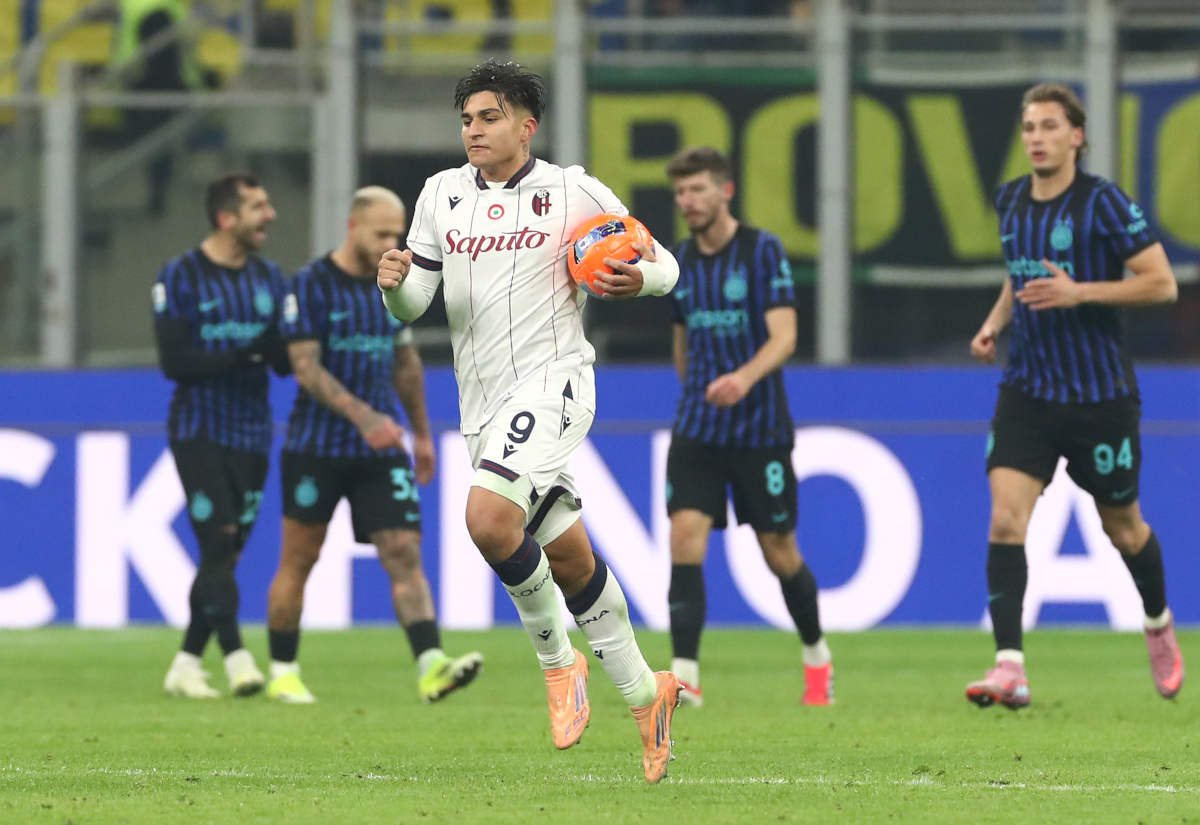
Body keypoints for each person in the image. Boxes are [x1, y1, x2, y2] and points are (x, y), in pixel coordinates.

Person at [377, 61, 683, 784]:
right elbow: (417, 301)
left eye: (489, 117)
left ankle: (558, 662)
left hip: (555, 385)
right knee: (569, 559)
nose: (474, 131)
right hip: (482, 406)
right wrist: (393, 287)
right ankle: (648, 695)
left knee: (487, 520)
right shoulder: (440, 194)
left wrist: (639, 278)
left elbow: (664, 263)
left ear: (526, 126)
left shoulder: (573, 190)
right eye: (466, 120)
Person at [968, 83, 1183, 709]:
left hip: (1098, 396)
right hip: (1028, 391)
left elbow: (1162, 283)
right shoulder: (1011, 199)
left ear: (1076, 136)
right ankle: (1010, 667)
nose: (1036, 137)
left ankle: (1157, 622)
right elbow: (1020, 276)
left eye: (1049, 126)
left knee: (1125, 528)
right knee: (1006, 518)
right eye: (1029, 127)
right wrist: (995, 323)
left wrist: (1081, 291)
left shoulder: (1103, 202)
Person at [265, 186, 484, 704]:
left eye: (397, 233)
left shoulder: (393, 286)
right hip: (316, 447)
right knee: (300, 558)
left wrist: (422, 434)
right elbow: (305, 368)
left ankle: (432, 665)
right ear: (352, 227)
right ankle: (283, 671)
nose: (392, 242)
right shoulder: (311, 284)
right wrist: (365, 417)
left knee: (404, 551)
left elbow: (405, 362)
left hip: (380, 450)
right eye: (381, 232)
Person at [662, 146, 832, 707]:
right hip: (697, 431)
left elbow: (785, 336)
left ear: (725, 191)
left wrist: (742, 378)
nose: (687, 201)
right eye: (680, 192)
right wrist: (696, 390)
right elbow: (682, 339)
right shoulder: (678, 261)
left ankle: (817, 659)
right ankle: (685, 676)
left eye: (697, 189)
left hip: (760, 431)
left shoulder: (762, 251)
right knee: (684, 539)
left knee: (779, 551)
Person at [154, 172, 290, 698]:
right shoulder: (180, 275)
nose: (270, 215)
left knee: (224, 557)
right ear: (226, 217)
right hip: (199, 429)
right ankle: (237, 658)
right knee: (218, 540)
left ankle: (186, 663)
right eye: (258, 206)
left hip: (253, 434)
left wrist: (286, 347)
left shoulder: (270, 278)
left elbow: (281, 361)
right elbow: (176, 362)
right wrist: (249, 352)